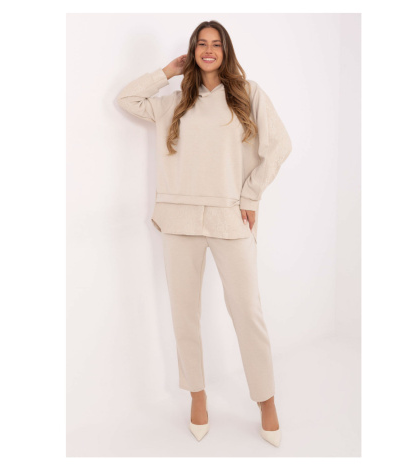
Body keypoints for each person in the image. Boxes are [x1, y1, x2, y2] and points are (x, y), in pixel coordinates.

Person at [116, 20, 292, 447]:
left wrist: (250, 196)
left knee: (247, 312)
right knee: (184, 314)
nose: (208, 50)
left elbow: (280, 146)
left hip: (230, 218)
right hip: (178, 220)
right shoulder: (175, 101)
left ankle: (266, 400)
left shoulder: (248, 94)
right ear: (193, 51)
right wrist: (167, 71)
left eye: (216, 44)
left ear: (226, 51)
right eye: (201, 44)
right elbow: (126, 99)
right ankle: (197, 396)